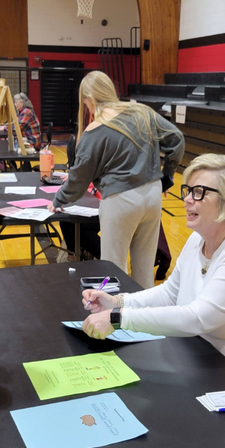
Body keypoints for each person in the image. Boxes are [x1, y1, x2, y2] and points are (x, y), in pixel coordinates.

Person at [81, 155, 225, 407]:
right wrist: (118, 302)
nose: (188, 199)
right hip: (210, 363)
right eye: (188, 190)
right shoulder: (198, 240)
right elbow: (170, 294)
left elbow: (198, 318)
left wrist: (118, 318)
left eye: (199, 192)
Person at [47, 71, 184, 289]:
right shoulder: (142, 112)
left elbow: (78, 180)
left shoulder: (94, 130)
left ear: (88, 98)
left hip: (121, 200)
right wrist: (167, 177)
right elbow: (177, 140)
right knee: (144, 268)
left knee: (113, 269)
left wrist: (58, 200)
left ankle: (115, 311)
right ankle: (144, 310)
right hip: (152, 195)